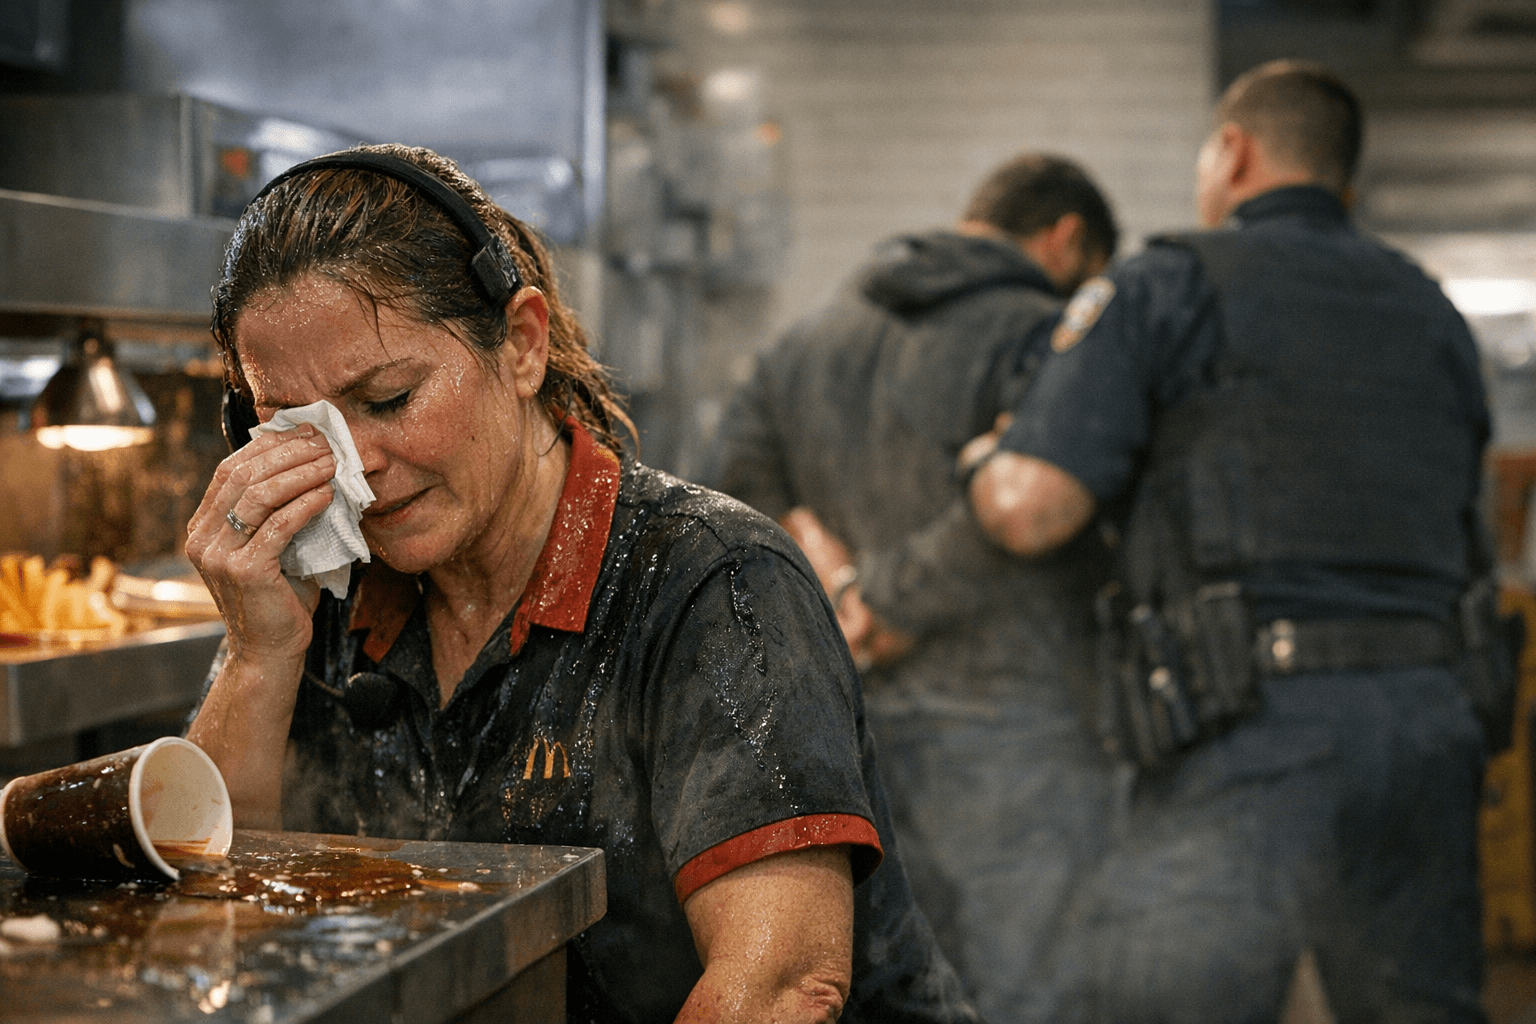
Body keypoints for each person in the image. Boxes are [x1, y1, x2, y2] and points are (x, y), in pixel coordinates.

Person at [181, 143, 983, 1024]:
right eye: (305, 428)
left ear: (521, 347)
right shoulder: (323, 595)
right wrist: (258, 651)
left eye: (390, 399)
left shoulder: (714, 585)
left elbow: (779, 989)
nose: (356, 470)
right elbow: (210, 914)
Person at [957, 61, 1499, 1021]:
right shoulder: (1432, 312)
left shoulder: (1170, 285)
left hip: (1247, 726)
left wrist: (986, 461)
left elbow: (1032, 508)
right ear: (1346, 182)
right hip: (1428, 724)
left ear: (1234, 152)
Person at [710, 154, 1122, 1022]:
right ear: (1067, 238)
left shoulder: (809, 336)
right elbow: (1029, 511)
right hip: (1016, 740)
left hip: (840, 740)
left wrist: (836, 589)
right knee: (1029, 991)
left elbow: (729, 482)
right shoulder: (1045, 337)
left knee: (880, 997)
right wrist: (888, 602)